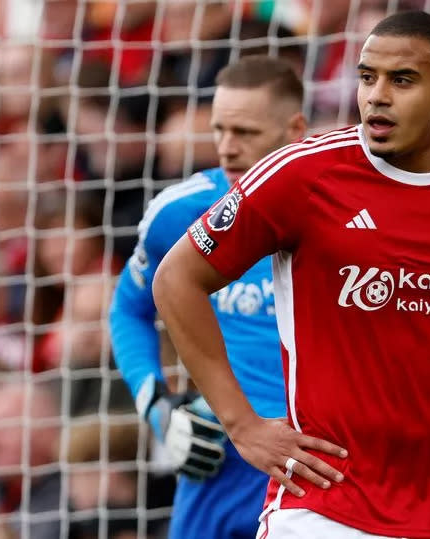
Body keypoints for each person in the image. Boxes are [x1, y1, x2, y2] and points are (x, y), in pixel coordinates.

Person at [154, 11, 430, 539]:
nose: (376, 95)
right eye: (366, 77)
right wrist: (241, 425)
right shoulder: (302, 173)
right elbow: (176, 278)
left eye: (401, 80)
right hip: (322, 505)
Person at [109, 55, 306, 539]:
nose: (225, 148)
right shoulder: (180, 214)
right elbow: (128, 310)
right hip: (216, 460)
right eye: (219, 129)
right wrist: (156, 404)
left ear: (295, 130)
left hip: (313, 462)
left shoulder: (346, 214)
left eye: (245, 132)